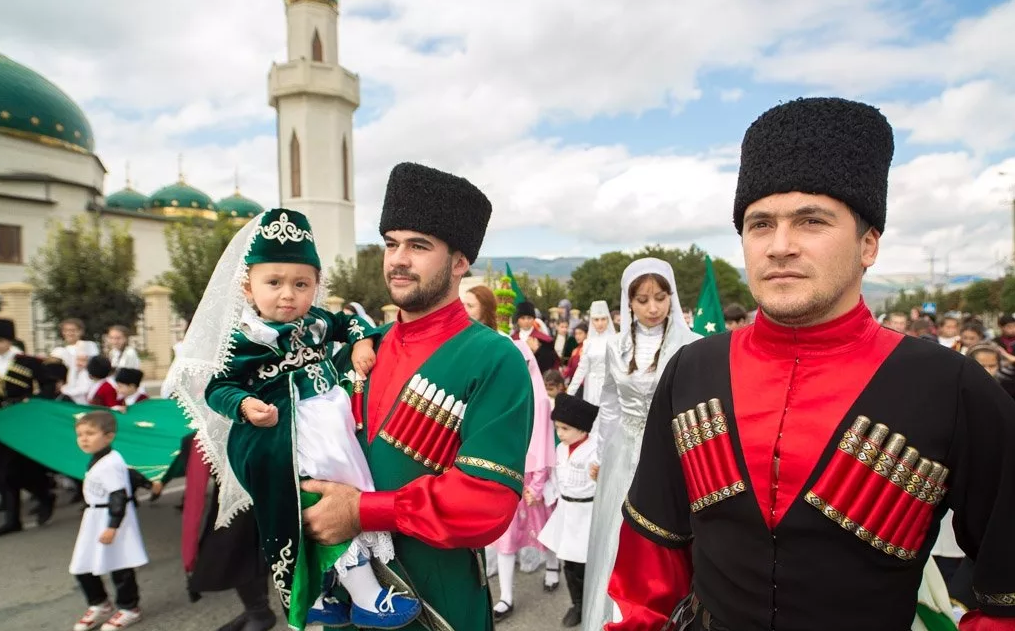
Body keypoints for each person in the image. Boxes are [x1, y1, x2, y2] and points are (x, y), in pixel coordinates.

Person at [608, 97, 1015, 630]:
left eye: (811, 221)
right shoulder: (692, 370)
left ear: (869, 245)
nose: (779, 246)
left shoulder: (952, 386)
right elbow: (653, 552)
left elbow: (1004, 590)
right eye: (760, 225)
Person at [299, 162, 534, 631]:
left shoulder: (494, 358)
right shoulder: (365, 348)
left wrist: (361, 511)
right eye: (391, 243)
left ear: (460, 262)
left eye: (418, 246)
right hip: (350, 597)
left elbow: (486, 502)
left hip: (436, 594)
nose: (398, 259)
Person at [168, 207, 420, 630]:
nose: (288, 294)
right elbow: (218, 388)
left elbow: (352, 324)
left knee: (339, 503)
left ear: (315, 286)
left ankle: (323, 596)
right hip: (285, 440)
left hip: (329, 430)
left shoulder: (317, 321)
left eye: (301, 284)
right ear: (248, 288)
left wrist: (361, 343)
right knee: (329, 505)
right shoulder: (244, 340)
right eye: (274, 283)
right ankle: (364, 595)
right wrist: (245, 406)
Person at [582, 257, 701, 628]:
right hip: (623, 453)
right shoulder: (615, 348)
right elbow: (610, 405)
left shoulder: (693, 346)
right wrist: (601, 453)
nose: (653, 308)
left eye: (660, 298)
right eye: (643, 299)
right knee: (618, 534)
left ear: (672, 297)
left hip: (673, 456)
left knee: (666, 535)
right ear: (628, 301)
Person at [490, 339, 559, 621]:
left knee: (544, 528)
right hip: (507, 475)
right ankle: (506, 597)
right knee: (505, 536)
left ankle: (553, 567)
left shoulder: (540, 399)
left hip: (533, 477)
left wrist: (537, 483)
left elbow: (544, 443)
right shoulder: (499, 395)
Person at [70, 410, 148, 631]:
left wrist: (112, 525)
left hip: (110, 519)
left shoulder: (110, 463)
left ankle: (129, 608)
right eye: (80, 434)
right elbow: (131, 475)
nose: (83, 439)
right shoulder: (101, 460)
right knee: (82, 565)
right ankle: (100, 603)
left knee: (119, 564)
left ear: (109, 436)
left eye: (90, 433)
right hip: (95, 517)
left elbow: (118, 495)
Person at [538, 393, 600, 628]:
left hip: (586, 513)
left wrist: (599, 477)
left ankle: (588, 604)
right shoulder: (562, 449)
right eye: (557, 428)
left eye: (565, 428)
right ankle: (576, 603)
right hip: (566, 511)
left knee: (585, 564)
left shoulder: (595, 451)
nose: (559, 433)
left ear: (582, 429)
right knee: (568, 563)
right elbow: (556, 477)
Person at [566, 300, 616, 405]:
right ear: (591, 321)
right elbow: (581, 369)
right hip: (591, 388)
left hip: (610, 387)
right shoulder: (588, 342)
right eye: (596, 320)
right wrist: (570, 393)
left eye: (603, 319)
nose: (600, 323)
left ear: (608, 320)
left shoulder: (615, 340)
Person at [51, 318, 100, 386]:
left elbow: (93, 365)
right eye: (66, 330)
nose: (69, 333)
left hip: (87, 384)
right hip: (67, 385)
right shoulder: (59, 350)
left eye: (73, 330)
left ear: (81, 331)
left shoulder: (89, 345)